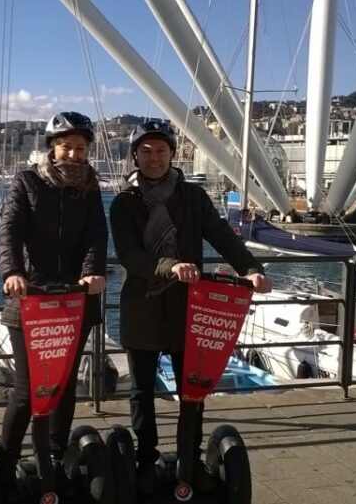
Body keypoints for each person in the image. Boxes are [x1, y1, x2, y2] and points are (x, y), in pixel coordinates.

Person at [109, 119, 272, 495]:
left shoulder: (193, 198)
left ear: (173, 154)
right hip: (143, 307)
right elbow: (129, 255)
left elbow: (221, 236)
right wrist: (169, 266)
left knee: (192, 389)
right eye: (146, 151)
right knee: (142, 391)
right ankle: (146, 459)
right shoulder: (123, 204)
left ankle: (189, 457)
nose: (154, 158)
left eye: (161, 150)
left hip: (189, 309)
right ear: (135, 156)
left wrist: (251, 269)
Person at [0, 111, 108, 502]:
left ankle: (58, 458)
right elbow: (9, 229)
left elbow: (97, 236)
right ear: (52, 148)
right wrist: (12, 271)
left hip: (74, 304)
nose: (74, 154)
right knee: (29, 391)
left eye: (80, 147)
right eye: (66, 146)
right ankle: (5, 464)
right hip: (31, 300)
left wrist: (93, 273)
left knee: (63, 388)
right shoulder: (28, 182)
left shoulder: (90, 188)